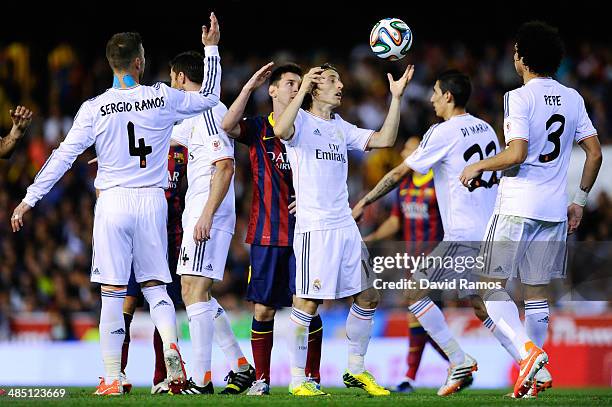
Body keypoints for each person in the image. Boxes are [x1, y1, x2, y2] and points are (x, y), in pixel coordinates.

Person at [11, 14, 222, 396]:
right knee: (157, 287)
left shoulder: (94, 107)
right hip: (151, 201)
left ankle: (112, 377)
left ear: (113, 64)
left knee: (112, 293)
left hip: (112, 202)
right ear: (139, 62)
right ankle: (173, 356)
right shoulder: (161, 95)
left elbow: (62, 156)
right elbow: (209, 98)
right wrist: (211, 48)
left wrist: (28, 199)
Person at [353, 70, 531, 396]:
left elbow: (400, 171)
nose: (432, 98)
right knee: (482, 305)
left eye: (435, 92)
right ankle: (531, 366)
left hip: (464, 234)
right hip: (492, 230)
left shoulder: (442, 132)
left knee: (414, 292)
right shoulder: (486, 128)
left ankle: (458, 359)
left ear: (448, 96)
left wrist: (364, 200)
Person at [459, 21, 602, 398]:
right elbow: (595, 152)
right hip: (555, 209)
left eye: (515, 52)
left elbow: (518, 153)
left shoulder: (518, 98)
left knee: (488, 286)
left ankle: (528, 353)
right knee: (536, 293)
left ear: (522, 57)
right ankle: (537, 378)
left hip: (518, 205)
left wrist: (478, 165)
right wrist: (580, 201)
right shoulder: (573, 98)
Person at [273, 62, 415, 396]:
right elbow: (280, 131)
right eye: (332, 80)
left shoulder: (339, 126)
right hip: (315, 228)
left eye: (339, 79)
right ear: (314, 87)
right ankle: (296, 380)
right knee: (307, 302)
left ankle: (356, 369)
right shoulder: (301, 122)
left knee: (368, 296)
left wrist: (396, 98)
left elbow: (386, 139)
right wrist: (304, 86)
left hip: (345, 225)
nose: (340, 86)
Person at [221, 63, 324, 396]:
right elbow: (227, 125)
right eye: (290, 83)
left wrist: (312, 198)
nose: (296, 88)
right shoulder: (258, 127)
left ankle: (311, 375)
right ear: (274, 90)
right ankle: (262, 380)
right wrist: (249, 87)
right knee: (263, 309)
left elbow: (331, 172)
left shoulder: (311, 128)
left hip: (305, 232)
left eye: (300, 84)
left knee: (305, 305)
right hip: (267, 233)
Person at [169, 51, 255, 395]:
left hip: (209, 212)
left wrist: (205, 214)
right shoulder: (193, 114)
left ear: (178, 77)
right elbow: (170, 143)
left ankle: (201, 380)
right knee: (197, 291)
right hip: (200, 210)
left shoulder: (207, 111)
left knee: (193, 289)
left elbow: (226, 165)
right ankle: (240, 366)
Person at [361, 136, 448, 393]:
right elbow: (396, 222)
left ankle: (445, 366)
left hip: (436, 258)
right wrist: (372, 238)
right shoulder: (404, 185)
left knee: (419, 314)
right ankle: (456, 363)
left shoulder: (438, 181)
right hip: (411, 259)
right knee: (422, 320)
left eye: (409, 148)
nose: (403, 153)